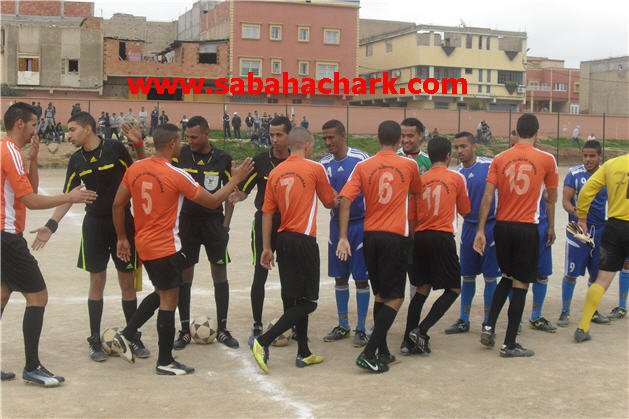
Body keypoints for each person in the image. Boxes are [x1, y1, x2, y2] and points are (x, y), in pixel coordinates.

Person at [110, 124, 253, 374]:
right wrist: (236, 179)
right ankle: (164, 361)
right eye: (181, 140)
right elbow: (212, 202)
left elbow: (117, 204)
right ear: (173, 144)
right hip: (165, 246)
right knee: (168, 300)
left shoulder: (136, 168)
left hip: (143, 243)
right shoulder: (176, 174)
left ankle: (127, 333)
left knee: (161, 292)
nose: (184, 144)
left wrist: (122, 237)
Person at [30, 112, 147, 362]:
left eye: (72, 130)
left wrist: (138, 145)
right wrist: (51, 225)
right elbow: (69, 196)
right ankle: (94, 339)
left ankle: (132, 336)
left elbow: (142, 171)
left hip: (122, 224)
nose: (68, 135)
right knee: (97, 281)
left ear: (88, 129)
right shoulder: (76, 160)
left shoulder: (114, 149)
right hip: (94, 225)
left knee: (127, 281)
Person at [1, 102, 97, 385]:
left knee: (3, 294)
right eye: (33, 124)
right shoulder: (9, 151)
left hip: (5, 234)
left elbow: (28, 189)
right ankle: (32, 367)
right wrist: (70, 197)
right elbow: (31, 200)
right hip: (7, 235)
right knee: (38, 297)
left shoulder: (12, 151)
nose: (36, 130)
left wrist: (33, 159)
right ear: (20, 123)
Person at [337, 120, 422, 373]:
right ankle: (368, 352)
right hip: (395, 237)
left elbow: (345, 199)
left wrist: (343, 236)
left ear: (377, 138)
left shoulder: (363, 166)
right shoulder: (409, 165)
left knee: (381, 295)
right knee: (396, 297)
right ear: (399, 141)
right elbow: (416, 193)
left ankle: (382, 351)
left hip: (370, 236)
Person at [250, 127, 337, 374]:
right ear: (307, 145)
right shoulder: (315, 168)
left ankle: (304, 352)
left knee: (293, 300)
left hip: (283, 239)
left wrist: (267, 247)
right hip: (303, 240)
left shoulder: (276, 172)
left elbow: (267, 213)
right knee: (309, 302)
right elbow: (328, 202)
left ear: (290, 145)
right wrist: (340, 198)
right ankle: (263, 341)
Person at [474, 113, 558, 357]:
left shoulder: (500, 158)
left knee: (506, 277)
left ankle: (489, 326)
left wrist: (480, 230)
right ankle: (509, 343)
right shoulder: (546, 159)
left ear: (516, 131)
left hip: (502, 226)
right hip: (526, 227)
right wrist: (551, 225)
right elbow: (551, 198)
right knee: (521, 283)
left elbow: (487, 197)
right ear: (537, 133)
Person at [169, 116, 240, 350]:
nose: (189, 141)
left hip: (213, 224)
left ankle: (223, 329)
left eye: (194, 137)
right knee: (185, 276)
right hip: (187, 224)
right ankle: (184, 330)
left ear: (206, 134)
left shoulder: (223, 159)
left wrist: (226, 225)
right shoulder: (181, 155)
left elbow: (230, 193)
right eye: (187, 136)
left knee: (219, 273)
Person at [403, 136, 471, 354]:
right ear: (449, 156)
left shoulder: (420, 180)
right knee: (454, 288)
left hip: (420, 237)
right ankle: (421, 330)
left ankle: (407, 341)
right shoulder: (456, 177)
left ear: (429, 156)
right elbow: (465, 210)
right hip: (442, 237)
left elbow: (411, 217)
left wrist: (416, 238)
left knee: (422, 289)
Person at [230, 117, 291, 338]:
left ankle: (290, 320)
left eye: (279, 135)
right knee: (260, 272)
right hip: (264, 223)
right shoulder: (260, 161)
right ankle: (257, 322)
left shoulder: (297, 161)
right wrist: (237, 193)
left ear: (289, 136)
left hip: (290, 224)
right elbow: (244, 191)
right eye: (271, 135)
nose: (274, 139)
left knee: (289, 274)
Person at [319, 120, 370, 347]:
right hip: (335, 225)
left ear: (342, 135)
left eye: (331, 137)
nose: (327, 142)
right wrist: (331, 200)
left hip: (360, 225)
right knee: (339, 276)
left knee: (361, 277)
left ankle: (361, 328)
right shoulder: (323, 164)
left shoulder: (361, 159)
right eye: (324, 138)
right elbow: (324, 197)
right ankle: (343, 325)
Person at [445, 132, 499, 334]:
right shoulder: (457, 173)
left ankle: (488, 321)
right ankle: (463, 319)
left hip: (491, 227)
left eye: (463, 146)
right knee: (467, 274)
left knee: (490, 276)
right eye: (457, 147)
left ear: (474, 146)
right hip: (469, 227)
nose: (459, 151)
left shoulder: (490, 166)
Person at [573, 151, 629, 342]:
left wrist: (582, 217)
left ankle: (583, 326)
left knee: (602, 280)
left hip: (615, 227)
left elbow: (586, 191)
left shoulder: (612, 164)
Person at [559, 140, 611, 327]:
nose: (588, 159)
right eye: (585, 155)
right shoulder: (574, 174)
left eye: (592, 156)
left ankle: (593, 311)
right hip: (578, 230)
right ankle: (565, 311)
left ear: (599, 157)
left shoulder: (607, 175)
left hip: (600, 231)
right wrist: (578, 214)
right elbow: (565, 201)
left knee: (596, 275)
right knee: (571, 273)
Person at [397, 118, 431, 298]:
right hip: (395, 226)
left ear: (421, 137)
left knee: (416, 274)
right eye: (402, 136)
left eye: (410, 136)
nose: (405, 140)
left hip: (419, 226)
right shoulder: (393, 159)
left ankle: (413, 310)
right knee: (393, 273)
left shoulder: (429, 162)